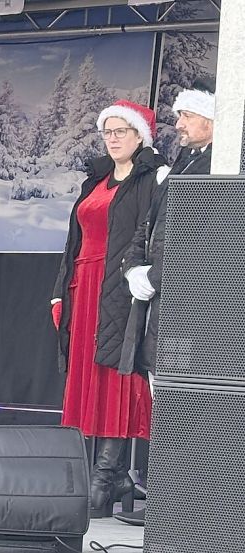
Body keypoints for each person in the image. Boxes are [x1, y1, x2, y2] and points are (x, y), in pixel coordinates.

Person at [51, 100, 168, 518]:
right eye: (108, 131)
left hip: (121, 286)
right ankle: (106, 476)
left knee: (117, 378)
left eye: (121, 131)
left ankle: (106, 477)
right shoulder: (94, 180)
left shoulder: (151, 179)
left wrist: (139, 279)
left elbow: (150, 233)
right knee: (88, 379)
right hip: (85, 286)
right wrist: (59, 290)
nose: (113, 138)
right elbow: (74, 240)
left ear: (140, 136)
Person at [116, 80, 215, 527]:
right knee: (163, 392)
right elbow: (149, 223)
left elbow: (202, 234)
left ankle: (186, 501)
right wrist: (134, 268)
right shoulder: (182, 162)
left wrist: (154, 276)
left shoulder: (219, 163)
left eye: (187, 116)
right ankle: (166, 500)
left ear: (211, 121)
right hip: (160, 301)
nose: (179, 124)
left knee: (188, 401)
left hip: (191, 303)